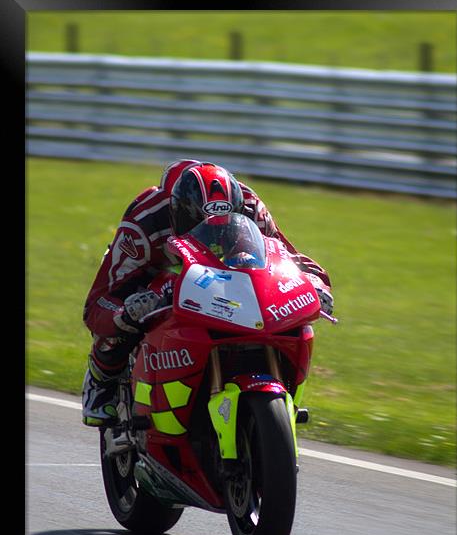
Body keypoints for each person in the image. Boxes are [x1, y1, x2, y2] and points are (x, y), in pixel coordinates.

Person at [81, 159, 334, 426]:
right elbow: (99, 301)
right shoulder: (146, 220)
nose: (212, 234)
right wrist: (125, 312)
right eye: (199, 223)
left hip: (223, 270)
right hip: (156, 271)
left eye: (223, 223)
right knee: (126, 317)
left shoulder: (251, 208)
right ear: (178, 212)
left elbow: (285, 255)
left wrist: (316, 284)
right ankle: (100, 380)